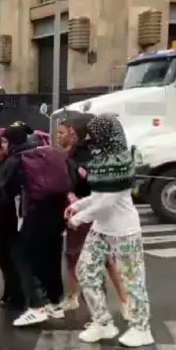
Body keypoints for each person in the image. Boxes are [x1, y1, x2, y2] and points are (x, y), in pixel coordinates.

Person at [64, 114, 153, 347]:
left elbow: (109, 201)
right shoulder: (103, 158)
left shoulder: (121, 161)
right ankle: (102, 322)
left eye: (94, 134)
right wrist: (77, 205)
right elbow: (99, 195)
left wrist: (79, 218)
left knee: (132, 280)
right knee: (85, 271)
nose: (89, 138)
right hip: (101, 229)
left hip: (124, 231)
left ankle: (141, 328)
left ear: (105, 135)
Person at [0, 122, 73, 327]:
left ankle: (36, 306)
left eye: (4, 142)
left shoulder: (17, 160)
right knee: (51, 256)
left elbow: (5, 192)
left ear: (11, 142)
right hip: (58, 213)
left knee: (20, 254)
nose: (3, 145)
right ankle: (55, 303)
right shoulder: (51, 152)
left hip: (36, 213)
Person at [57, 114, 128, 313]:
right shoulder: (70, 154)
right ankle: (72, 297)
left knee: (104, 260)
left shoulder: (100, 155)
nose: (66, 137)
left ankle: (121, 302)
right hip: (76, 210)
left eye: (70, 133)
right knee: (72, 256)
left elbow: (105, 192)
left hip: (96, 214)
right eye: (65, 133)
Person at [0, 131, 24, 311]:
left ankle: (17, 293)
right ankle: (9, 289)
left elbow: (9, 188)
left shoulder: (13, 164)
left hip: (12, 215)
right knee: (2, 255)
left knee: (12, 256)